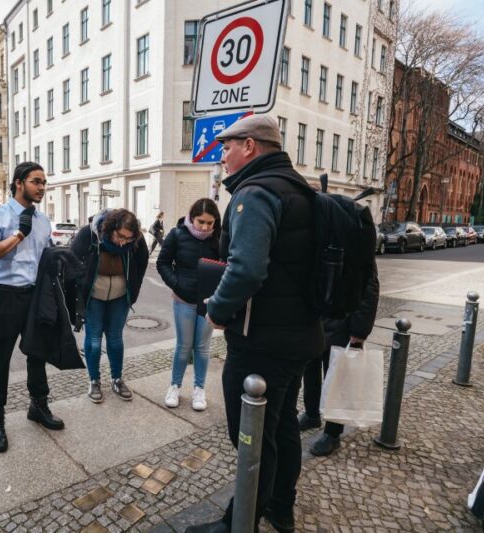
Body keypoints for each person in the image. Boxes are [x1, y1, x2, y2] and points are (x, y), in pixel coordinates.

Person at [187, 115, 325, 533]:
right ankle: (280, 508)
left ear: (250, 147)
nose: (223, 155)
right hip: (299, 334)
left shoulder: (255, 193)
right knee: (282, 427)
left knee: (251, 435)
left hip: (262, 341)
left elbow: (247, 270)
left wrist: (216, 311)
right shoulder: (298, 187)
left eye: (227, 147)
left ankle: (238, 523)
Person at [0, 162, 64, 454]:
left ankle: (38, 406)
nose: (41, 187)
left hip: (36, 295)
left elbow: (44, 256)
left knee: (37, 352)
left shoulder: (43, 221)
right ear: (18, 182)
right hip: (5, 298)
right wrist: (18, 235)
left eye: (44, 183)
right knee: (0, 358)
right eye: (36, 181)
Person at [299, 264, 379, 456]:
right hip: (317, 316)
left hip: (343, 320)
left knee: (336, 376)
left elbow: (370, 284)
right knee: (310, 367)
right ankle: (311, 414)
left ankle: (333, 433)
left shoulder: (355, 235)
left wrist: (359, 331)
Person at [71, 209, 149, 403]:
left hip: (120, 297)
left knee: (115, 339)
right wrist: (78, 296)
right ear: (110, 228)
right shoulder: (88, 235)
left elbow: (142, 263)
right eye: (120, 236)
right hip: (94, 297)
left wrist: (133, 292)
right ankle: (94, 380)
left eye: (128, 239)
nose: (123, 242)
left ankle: (117, 379)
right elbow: (71, 263)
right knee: (94, 341)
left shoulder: (136, 241)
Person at [156, 198, 221, 411]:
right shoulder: (177, 234)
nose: (205, 227)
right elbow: (163, 263)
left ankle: (199, 389)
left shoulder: (219, 238)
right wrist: (177, 284)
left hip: (208, 302)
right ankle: (174, 386)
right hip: (183, 300)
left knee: (202, 348)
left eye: (210, 223)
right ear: (192, 218)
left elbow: (226, 267)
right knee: (183, 346)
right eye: (201, 221)